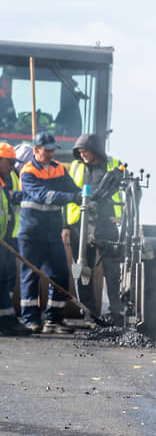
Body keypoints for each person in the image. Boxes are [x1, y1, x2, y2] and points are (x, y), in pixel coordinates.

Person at [19, 132, 81, 334]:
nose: (52, 153)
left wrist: (84, 195)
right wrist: (71, 196)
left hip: (51, 232)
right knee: (31, 275)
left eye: (53, 149)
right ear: (36, 150)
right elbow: (44, 196)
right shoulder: (28, 172)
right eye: (48, 150)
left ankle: (54, 319)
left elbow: (74, 190)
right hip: (32, 233)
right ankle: (31, 319)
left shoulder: (59, 169)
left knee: (60, 274)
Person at [63, 134, 124, 326]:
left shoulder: (114, 165)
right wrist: (65, 225)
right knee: (83, 270)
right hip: (80, 225)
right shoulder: (76, 167)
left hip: (106, 223)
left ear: (96, 150)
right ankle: (89, 313)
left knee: (113, 270)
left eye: (85, 151)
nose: (82, 155)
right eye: (79, 152)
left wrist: (122, 217)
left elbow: (128, 194)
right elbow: (67, 197)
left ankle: (116, 311)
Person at [0, 142, 30, 336]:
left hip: (3, 240)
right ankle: (8, 322)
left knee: (3, 279)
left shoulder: (3, 182)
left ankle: (7, 321)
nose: (13, 167)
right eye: (9, 162)